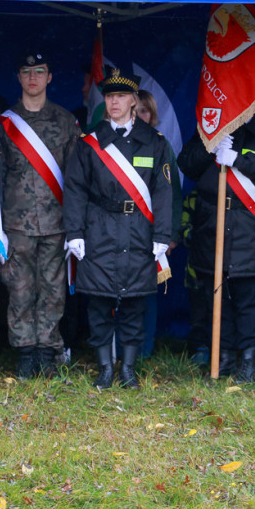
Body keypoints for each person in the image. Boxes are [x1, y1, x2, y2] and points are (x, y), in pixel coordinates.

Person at [63, 68, 173, 389]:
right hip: (98, 227)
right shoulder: (90, 142)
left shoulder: (154, 142)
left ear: (133, 100)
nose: (114, 102)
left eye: (121, 96)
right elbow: (75, 189)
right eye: (110, 96)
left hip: (139, 229)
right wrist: (75, 232)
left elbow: (164, 192)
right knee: (98, 302)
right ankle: (104, 368)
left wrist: (162, 236)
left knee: (134, 303)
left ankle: (128, 368)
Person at [178, 108, 255, 383]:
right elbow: (187, 163)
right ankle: (224, 358)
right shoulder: (210, 128)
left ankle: (248, 361)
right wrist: (212, 145)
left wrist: (238, 159)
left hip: (251, 229)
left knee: (250, 300)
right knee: (218, 296)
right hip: (212, 225)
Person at [0, 51, 79, 378]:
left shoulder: (65, 121)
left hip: (56, 222)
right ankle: (25, 353)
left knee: (54, 290)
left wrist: (76, 225)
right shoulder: (4, 124)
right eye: (27, 72)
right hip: (15, 223)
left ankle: (47, 350)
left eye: (39, 71)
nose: (33, 78)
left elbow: (75, 177)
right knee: (19, 290)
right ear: (18, 77)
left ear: (49, 77)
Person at [135, 89, 182, 358]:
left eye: (144, 111)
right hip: (122, 230)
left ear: (152, 116)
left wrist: (171, 233)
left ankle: (144, 350)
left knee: (148, 294)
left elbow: (172, 193)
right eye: (136, 110)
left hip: (153, 232)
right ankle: (122, 347)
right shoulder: (113, 143)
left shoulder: (160, 145)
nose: (140, 116)